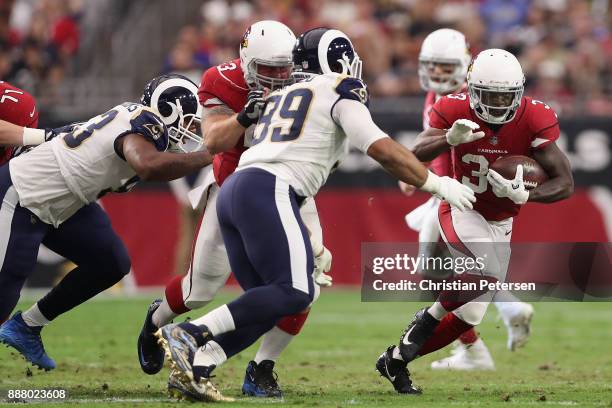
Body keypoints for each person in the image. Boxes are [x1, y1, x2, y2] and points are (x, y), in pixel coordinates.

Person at [155, 27, 475, 402]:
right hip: (269, 189)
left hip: (237, 190)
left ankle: (198, 368)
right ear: (341, 62)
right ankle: (191, 334)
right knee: (296, 290)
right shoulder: (340, 89)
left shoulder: (285, 92)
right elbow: (382, 149)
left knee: (269, 300)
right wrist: (439, 185)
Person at [138, 20, 332, 398]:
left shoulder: (306, 81)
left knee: (303, 286)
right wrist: (243, 117)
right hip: (235, 189)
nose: (277, 77)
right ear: (245, 63)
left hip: (290, 190)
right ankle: (156, 322)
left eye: (283, 69)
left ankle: (259, 368)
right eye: (268, 70)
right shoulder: (222, 80)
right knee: (199, 290)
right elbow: (212, 140)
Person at [376, 49, 573, 394]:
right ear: (470, 88)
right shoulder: (452, 107)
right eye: (489, 94)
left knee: (468, 317)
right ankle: (422, 326)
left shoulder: (535, 117)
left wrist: (528, 196)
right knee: (482, 274)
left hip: (502, 219)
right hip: (462, 204)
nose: (498, 103)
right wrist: (447, 139)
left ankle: (395, 359)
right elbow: (408, 158)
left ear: (520, 91)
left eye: (505, 95)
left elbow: (564, 183)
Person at [0, 74, 212, 371]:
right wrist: (208, 156)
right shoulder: (146, 126)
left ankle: (27, 326)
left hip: (68, 203)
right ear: (167, 113)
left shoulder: (134, 119)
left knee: (110, 261)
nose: (194, 132)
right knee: (4, 290)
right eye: (190, 122)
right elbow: (147, 166)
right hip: (24, 195)